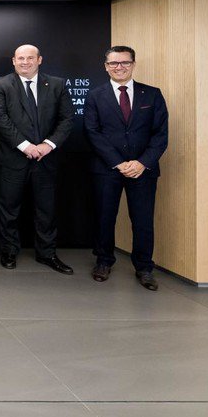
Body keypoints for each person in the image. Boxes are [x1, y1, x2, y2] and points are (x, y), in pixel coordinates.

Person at [84, 45, 168, 290]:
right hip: (107, 168)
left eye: (124, 62)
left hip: (143, 169)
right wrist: (119, 163)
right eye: (113, 63)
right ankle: (103, 261)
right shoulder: (95, 95)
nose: (119, 67)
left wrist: (142, 163)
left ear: (133, 64)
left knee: (143, 220)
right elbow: (92, 132)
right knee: (104, 217)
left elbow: (160, 135)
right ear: (106, 66)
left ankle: (144, 268)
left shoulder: (152, 94)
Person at [0, 44, 74, 274]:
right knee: (9, 209)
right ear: (13, 61)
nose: (25, 62)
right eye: (20, 58)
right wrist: (25, 146)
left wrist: (48, 145)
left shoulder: (57, 85)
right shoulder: (0, 85)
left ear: (39, 60)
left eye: (29, 58)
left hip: (45, 159)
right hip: (12, 159)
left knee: (46, 210)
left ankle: (47, 253)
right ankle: (8, 251)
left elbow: (67, 119)